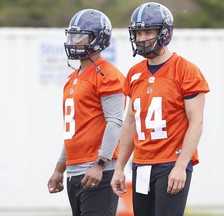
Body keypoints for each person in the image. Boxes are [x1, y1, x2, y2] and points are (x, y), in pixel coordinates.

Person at [110, 2, 210, 216]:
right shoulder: (135, 73)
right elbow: (130, 122)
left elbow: (197, 122)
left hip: (170, 163)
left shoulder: (186, 70)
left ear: (164, 33)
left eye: (148, 31)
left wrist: (182, 165)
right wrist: (119, 168)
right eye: (138, 32)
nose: (141, 38)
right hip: (142, 164)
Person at [47, 9, 125, 216]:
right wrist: (59, 169)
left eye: (81, 36)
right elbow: (73, 131)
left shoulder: (108, 74)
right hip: (75, 172)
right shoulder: (72, 78)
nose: (74, 41)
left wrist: (100, 164)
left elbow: (115, 122)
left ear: (98, 39)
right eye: (72, 35)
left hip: (99, 171)